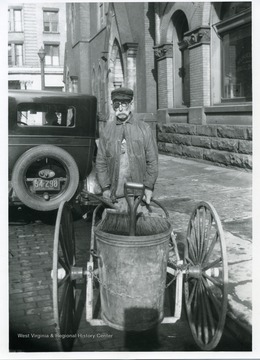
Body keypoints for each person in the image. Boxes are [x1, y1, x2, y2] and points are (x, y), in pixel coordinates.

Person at [96, 87, 158, 211]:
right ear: (112, 106)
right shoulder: (106, 131)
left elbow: (152, 161)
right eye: (117, 104)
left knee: (141, 227)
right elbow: (101, 162)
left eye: (124, 104)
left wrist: (149, 187)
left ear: (131, 104)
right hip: (116, 195)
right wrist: (105, 188)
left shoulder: (144, 129)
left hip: (138, 195)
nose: (120, 108)